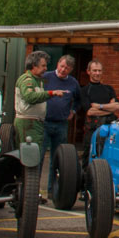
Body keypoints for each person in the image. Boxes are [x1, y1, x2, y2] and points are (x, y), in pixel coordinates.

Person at [13, 50, 68, 152]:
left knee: (33, 154)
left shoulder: (37, 81)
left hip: (35, 123)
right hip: (28, 123)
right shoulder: (27, 80)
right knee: (30, 155)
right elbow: (30, 97)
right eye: (43, 66)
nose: (45, 69)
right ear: (34, 65)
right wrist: (52, 93)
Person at [42, 54, 81, 190]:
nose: (63, 70)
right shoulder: (45, 77)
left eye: (67, 68)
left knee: (57, 159)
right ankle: (33, 190)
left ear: (71, 70)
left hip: (61, 124)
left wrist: (73, 111)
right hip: (44, 123)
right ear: (58, 64)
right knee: (39, 156)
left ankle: (52, 190)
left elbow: (78, 100)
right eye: (62, 66)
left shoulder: (73, 83)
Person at [78, 59, 119, 161]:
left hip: (110, 126)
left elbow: (117, 106)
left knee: (108, 153)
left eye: (99, 71)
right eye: (95, 70)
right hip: (92, 129)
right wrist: (109, 108)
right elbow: (90, 111)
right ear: (88, 71)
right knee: (89, 154)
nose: (97, 73)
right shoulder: (84, 91)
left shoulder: (108, 89)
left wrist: (100, 106)